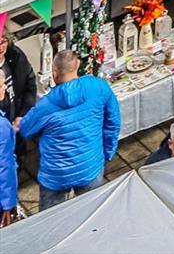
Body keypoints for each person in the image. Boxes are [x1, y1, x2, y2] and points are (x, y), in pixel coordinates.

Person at [16, 49, 119, 209]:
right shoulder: (98, 87)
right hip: (90, 165)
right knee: (93, 215)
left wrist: (21, 121)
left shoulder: (45, 104)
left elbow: (26, 130)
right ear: (77, 65)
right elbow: (112, 122)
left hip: (57, 175)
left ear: (54, 72)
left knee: (51, 222)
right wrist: (108, 152)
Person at [0, 26, 36, 125]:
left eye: (3, 42)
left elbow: (30, 85)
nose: (1, 47)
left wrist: (22, 114)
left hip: (17, 122)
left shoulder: (16, 56)